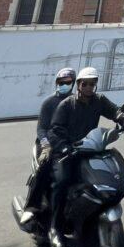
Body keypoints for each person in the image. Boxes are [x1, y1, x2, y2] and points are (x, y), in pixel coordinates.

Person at [47, 66, 124, 247]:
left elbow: (114, 111)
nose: (88, 87)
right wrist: (64, 146)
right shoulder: (67, 104)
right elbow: (54, 131)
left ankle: (91, 215)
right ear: (79, 85)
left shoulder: (98, 100)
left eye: (92, 84)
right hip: (66, 153)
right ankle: (55, 228)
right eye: (85, 84)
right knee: (62, 182)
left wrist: (123, 120)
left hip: (89, 149)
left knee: (105, 174)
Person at [20, 67, 76, 225]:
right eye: (61, 82)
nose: (64, 85)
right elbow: (41, 128)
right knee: (43, 167)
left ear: (73, 83)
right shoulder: (49, 102)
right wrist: (46, 146)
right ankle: (31, 207)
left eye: (67, 82)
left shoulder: (75, 101)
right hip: (47, 143)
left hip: (67, 142)